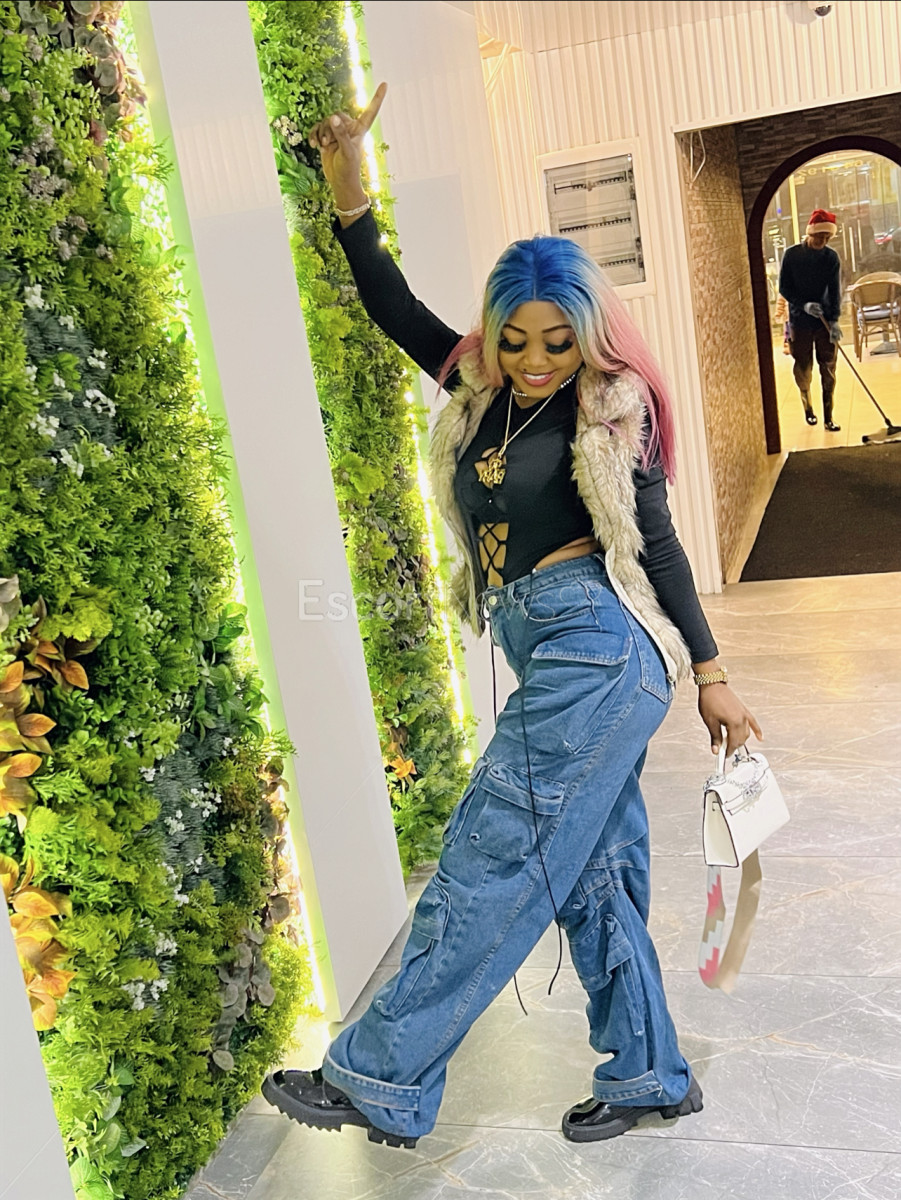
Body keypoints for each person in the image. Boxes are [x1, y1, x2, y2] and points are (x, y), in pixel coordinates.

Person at [262, 84, 762, 1150]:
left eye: (558, 343)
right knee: (594, 878)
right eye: (518, 337)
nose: (536, 359)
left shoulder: (608, 405)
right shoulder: (479, 386)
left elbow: (658, 542)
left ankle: (378, 1076)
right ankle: (650, 1074)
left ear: (587, 337)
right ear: (495, 331)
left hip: (596, 646)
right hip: (548, 648)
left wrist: (713, 672)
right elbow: (391, 303)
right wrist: (349, 191)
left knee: (492, 854)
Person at [778, 208, 843, 431]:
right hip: (800, 321)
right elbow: (784, 288)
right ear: (810, 233)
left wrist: (834, 320)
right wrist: (803, 305)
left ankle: (829, 417)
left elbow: (834, 291)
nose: (822, 242)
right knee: (803, 366)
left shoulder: (831, 258)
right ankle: (808, 408)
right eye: (818, 236)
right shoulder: (792, 255)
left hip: (824, 321)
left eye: (826, 238)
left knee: (828, 368)